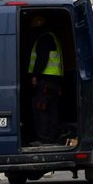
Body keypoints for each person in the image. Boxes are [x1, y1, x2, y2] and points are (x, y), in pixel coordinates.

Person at [27, 15, 63, 145]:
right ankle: (52, 137)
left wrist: (35, 75)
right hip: (54, 81)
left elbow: (42, 59)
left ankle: (43, 138)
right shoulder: (53, 37)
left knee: (40, 109)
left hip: (45, 81)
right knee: (52, 110)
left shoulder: (44, 38)